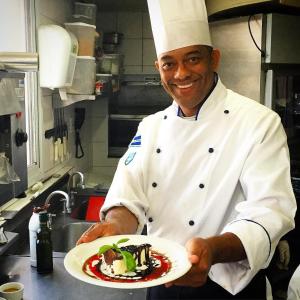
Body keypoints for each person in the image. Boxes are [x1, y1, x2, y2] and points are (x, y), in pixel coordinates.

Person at [77, 0, 297, 298]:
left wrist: (212, 249)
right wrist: (115, 227)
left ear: (214, 58)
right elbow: (128, 196)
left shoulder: (258, 123)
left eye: (193, 59)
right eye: (169, 63)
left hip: (229, 286)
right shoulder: (150, 126)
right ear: (159, 68)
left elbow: (268, 212)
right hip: (160, 280)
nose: (180, 73)